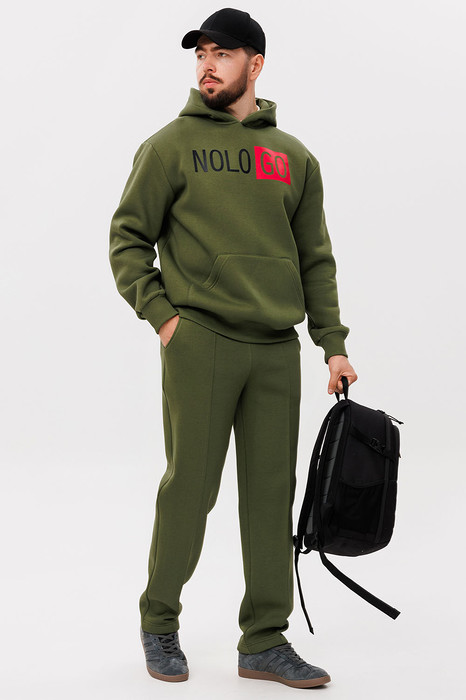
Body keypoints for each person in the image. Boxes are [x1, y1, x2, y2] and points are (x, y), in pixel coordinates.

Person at [109, 7, 357, 689]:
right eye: (200, 55)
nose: (207, 66)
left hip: (277, 348)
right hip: (203, 341)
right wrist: (164, 318)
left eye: (221, 54)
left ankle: (265, 640)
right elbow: (127, 238)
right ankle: (159, 622)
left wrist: (332, 344)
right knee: (190, 490)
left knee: (271, 498)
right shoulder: (169, 147)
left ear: (256, 64)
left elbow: (316, 259)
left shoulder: (295, 158)